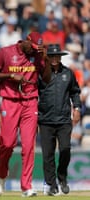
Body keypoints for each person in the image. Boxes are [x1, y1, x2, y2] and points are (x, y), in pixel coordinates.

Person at [0, 32, 51, 197]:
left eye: (37, 49)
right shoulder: (6, 52)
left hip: (30, 102)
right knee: (8, 144)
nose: (34, 51)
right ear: (26, 41)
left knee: (29, 146)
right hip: (10, 101)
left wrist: (46, 60)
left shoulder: (37, 55)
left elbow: (47, 79)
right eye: (32, 47)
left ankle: (26, 186)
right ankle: (2, 175)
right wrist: (10, 75)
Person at [38, 44, 81, 196]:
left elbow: (75, 92)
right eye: (52, 56)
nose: (55, 59)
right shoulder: (41, 73)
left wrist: (77, 108)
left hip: (63, 119)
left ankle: (62, 177)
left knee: (65, 149)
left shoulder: (68, 73)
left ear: (61, 57)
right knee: (47, 155)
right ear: (48, 58)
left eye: (57, 56)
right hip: (45, 119)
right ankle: (52, 184)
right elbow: (33, 93)